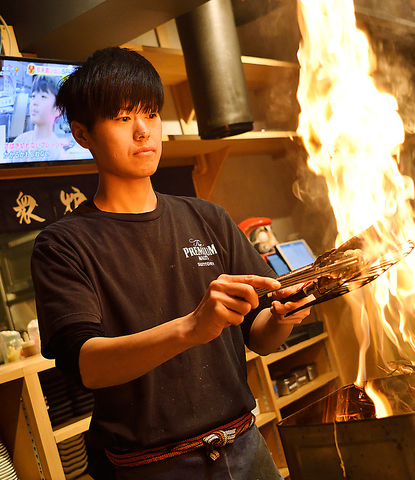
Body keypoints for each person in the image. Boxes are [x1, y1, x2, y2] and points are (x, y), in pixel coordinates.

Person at [30, 46, 313, 480]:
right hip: (152, 467)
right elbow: (86, 364)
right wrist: (192, 327)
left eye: (151, 113)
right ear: (82, 134)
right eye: (122, 117)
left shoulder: (208, 218)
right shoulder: (63, 244)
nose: (143, 131)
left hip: (246, 449)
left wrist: (283, 316)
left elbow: (259, 335)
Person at [14, 75, 68, 162]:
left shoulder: (57, 154)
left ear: (57, 109)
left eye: (43, 96)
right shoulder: (20, 141)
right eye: (33, 96)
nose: (34, 102)